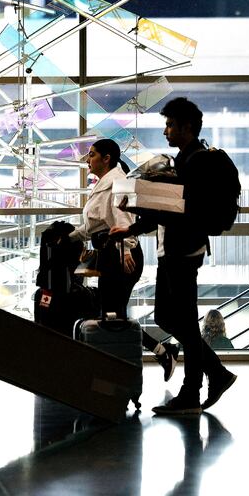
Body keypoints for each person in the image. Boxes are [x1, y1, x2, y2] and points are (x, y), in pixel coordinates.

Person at [110, 97, 237, 415]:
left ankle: (195, 390)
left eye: (170, 125)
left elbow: (181, 212)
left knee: (180, 321)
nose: (166, 130)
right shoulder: (184, 160)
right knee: (169, 318)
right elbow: (166, 212)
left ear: (187, 127)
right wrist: (131, 228)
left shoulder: (195, 164)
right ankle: (214, 376)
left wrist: (138, 209)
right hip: (174, 250)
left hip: (183, 251)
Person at [65, 138, 179, 380]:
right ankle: (153, 355)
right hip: (111, 253)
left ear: (107, 158)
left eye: (93, 155)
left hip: (120, 255)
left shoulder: (117, 183)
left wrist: (126, 250)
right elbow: (92, 225)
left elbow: (123, 221)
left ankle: (156, 354)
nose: (88, 160)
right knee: (112, 315)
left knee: (114, 317)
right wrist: (71, 236)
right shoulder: (105, 183)